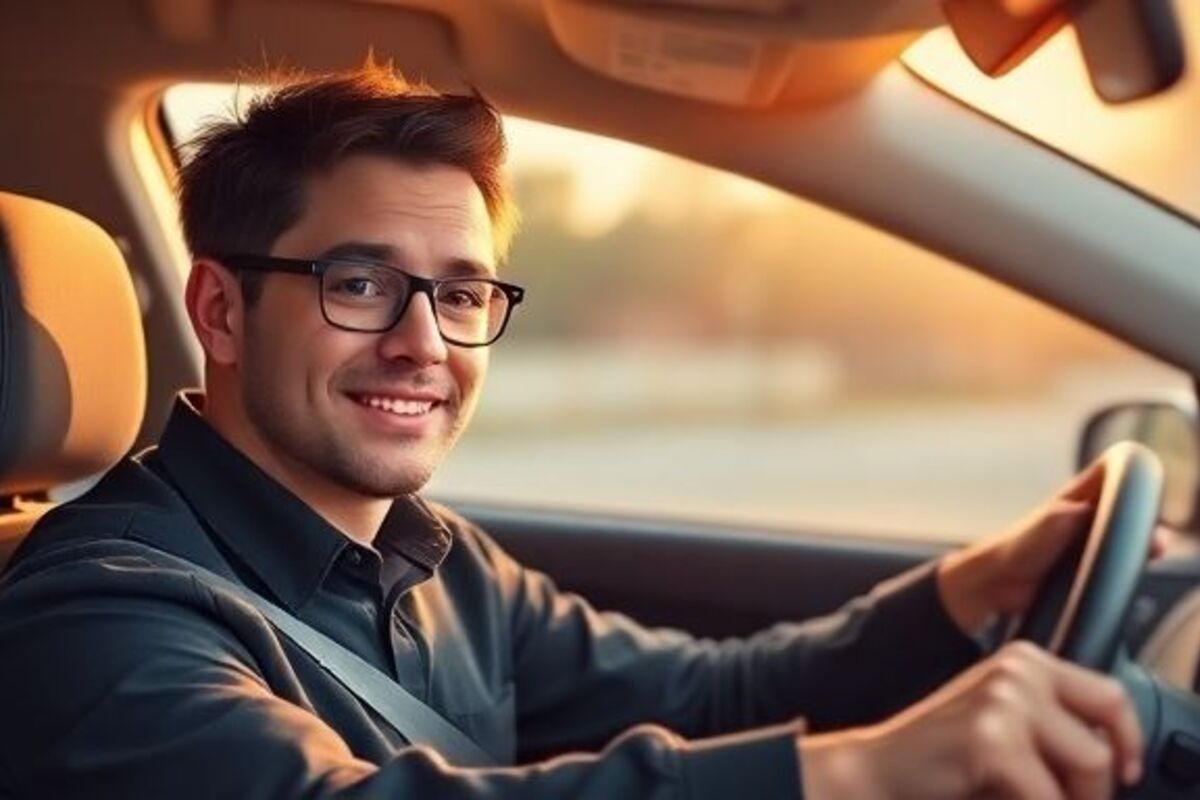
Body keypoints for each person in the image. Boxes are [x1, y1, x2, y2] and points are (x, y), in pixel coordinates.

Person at [0, 66, 1145, 799]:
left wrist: (971, 586)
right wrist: (856, 773)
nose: (423, 344)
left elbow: (711, 696)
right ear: (219, 311)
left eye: (461, 293)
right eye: (359, 283)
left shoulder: (442, 561)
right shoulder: (89, 617)